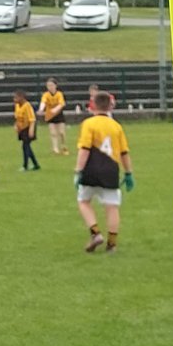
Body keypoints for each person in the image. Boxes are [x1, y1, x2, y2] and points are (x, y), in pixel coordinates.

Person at [74, 91, 135, 254]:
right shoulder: (116, 126)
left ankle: (95, 233)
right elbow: (124, 152)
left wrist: (78, 171)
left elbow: (85, 149)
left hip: (91, 168)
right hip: (111, 170)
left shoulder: (89, 124)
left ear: (93, 105)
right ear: (110, 106)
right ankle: (112, 244)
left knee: (83, 201)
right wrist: (128, 173)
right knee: (112, 207)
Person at [39, 77, 68, 155]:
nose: (50, 87)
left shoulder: (59, 94)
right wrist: (41, 110)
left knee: (61, 132)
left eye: (51, 85)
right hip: (50, 115)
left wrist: (55, 110)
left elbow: (61, 104)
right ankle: (55, 148)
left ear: (55, 86)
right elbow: (43, 102)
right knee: (53, 133)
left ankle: (63, 146)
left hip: (59, 115)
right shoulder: (46, 95)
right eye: (48, 86)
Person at [13, 90, 40, 172]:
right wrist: (16, 125)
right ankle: (36, 164)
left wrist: (31, 130)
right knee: (27, 146)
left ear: (22, 98)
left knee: (25, 146)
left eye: (16, 97)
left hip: (28, 127)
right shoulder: (17, 106)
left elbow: (32, 119)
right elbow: (17, 117)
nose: (14, 99)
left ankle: (25, 166)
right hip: (22, 128)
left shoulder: (27, 106)